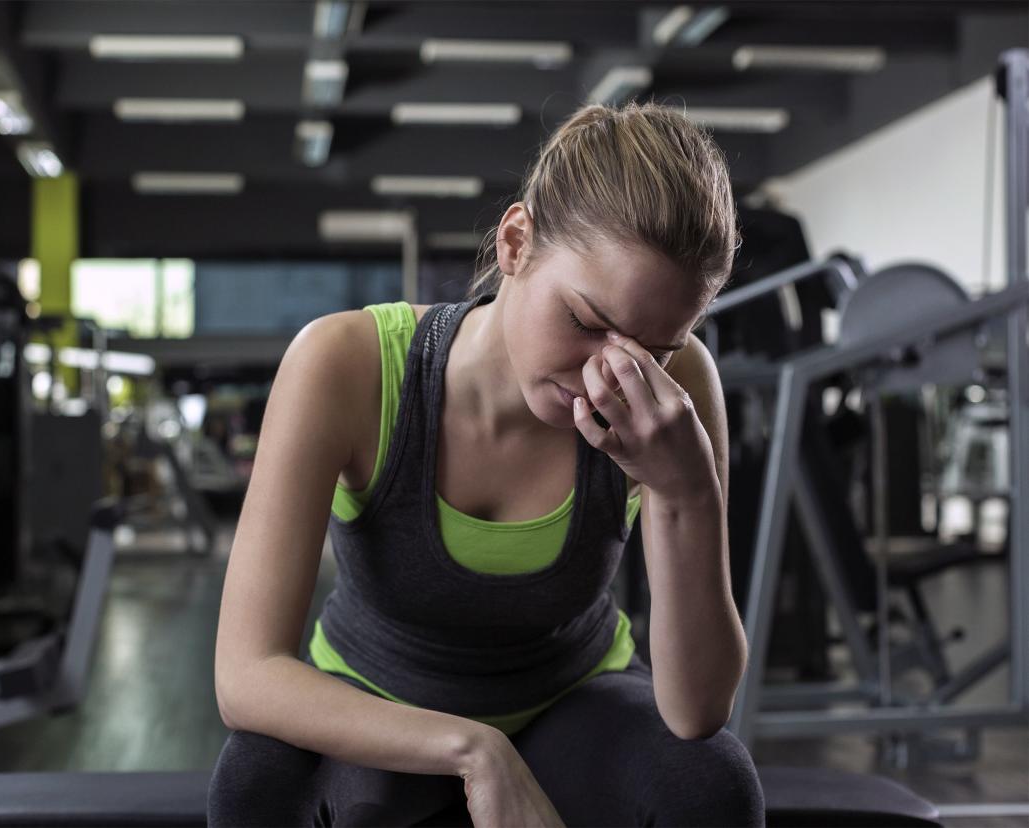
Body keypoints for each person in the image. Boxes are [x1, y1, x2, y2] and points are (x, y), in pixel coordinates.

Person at [210, 102, 765, 827]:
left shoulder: (676, 392)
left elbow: (696, 711)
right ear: (515, 243)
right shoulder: (345, 365)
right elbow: (246, 675)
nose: (610, 374)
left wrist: (687, 490)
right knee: (257, 786)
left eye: (652, 349)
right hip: (376, 695)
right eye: (587, 322)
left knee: (708, 784)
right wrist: (475, 749)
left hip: (575, 699)